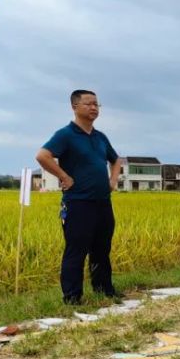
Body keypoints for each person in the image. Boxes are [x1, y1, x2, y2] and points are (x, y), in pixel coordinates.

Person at [37, 89, 122, 304]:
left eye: (96, 104)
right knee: (76, 250)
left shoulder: (100, 137)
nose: (94, 108)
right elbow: (43, 156)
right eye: (88, 104)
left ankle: (104, 289)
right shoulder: (66, 134)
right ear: (75, 107)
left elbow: (116, 160)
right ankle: (72, 296)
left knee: (102, 249)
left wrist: (113, 181)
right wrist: (64, 176)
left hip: (102, 202)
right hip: (78, 202)